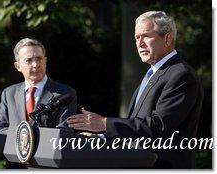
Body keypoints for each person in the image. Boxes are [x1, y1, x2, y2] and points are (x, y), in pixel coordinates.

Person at [67, 11, 203, 168]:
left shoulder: (180, 74)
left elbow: (158, 126)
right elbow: (137, 131)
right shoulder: (152, 75)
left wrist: (105, 123)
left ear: (167, 39)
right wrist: (103, 138)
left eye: (145, 36)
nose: (140, 43)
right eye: (137, 38)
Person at [0, 38, 77, 135]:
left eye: (39, 59)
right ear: (18, 66)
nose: (35, 64)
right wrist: (24, 134)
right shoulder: (9, 93)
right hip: (14, 150)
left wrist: (32, 136)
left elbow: (65, 133)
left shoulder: (65, 93)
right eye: (29, 60)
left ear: (45, 61)